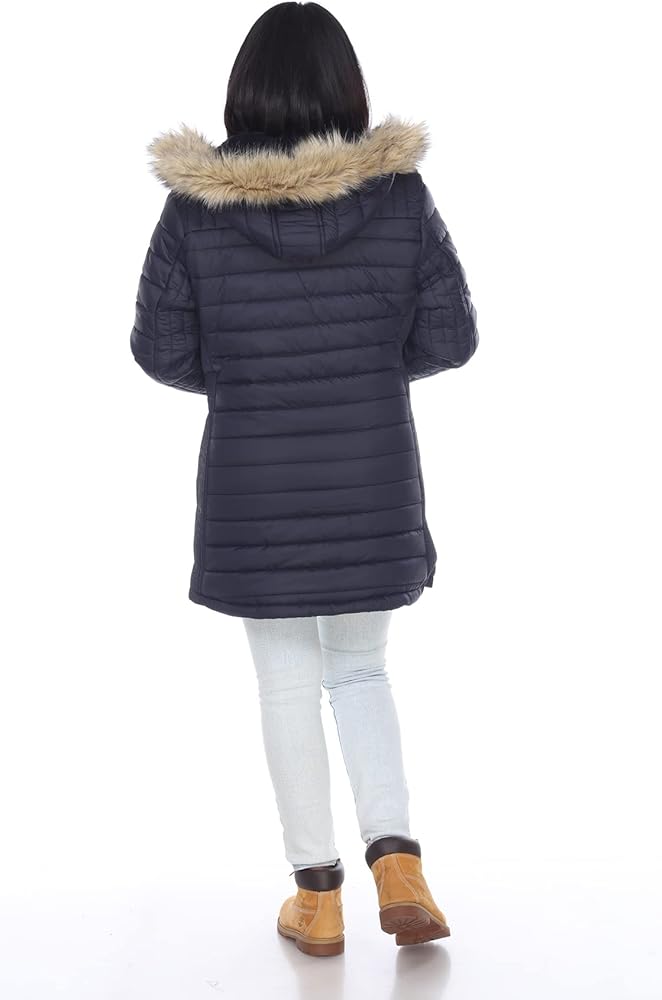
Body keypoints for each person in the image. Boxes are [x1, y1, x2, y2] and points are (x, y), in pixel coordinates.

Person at [130, 1, 478, 958]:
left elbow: (160, 351)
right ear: (346, 88)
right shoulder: (399, 197)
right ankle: (398, 864)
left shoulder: (196, 208)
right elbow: (451, 337)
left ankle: (317, 900)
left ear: (243, 91)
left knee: (285, 681)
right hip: (372, 475)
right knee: (360, 669)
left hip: (254, 482)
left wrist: (248, 379)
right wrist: (363, 373)